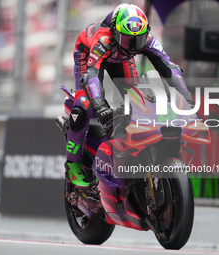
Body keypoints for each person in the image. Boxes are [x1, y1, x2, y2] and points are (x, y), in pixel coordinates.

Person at [66, 4, 195, 187]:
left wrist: (186, 96)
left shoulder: (146, 39)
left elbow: (169, 67)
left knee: (138, 101)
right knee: (84, 106)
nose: (133, 46)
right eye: (127, 40)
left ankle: (129, 152)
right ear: (114, 32)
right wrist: (100, 105)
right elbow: (92, 75)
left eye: (138, 40)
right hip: (88, 56)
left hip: (120, 58)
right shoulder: (103, 40)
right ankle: (73, 164)